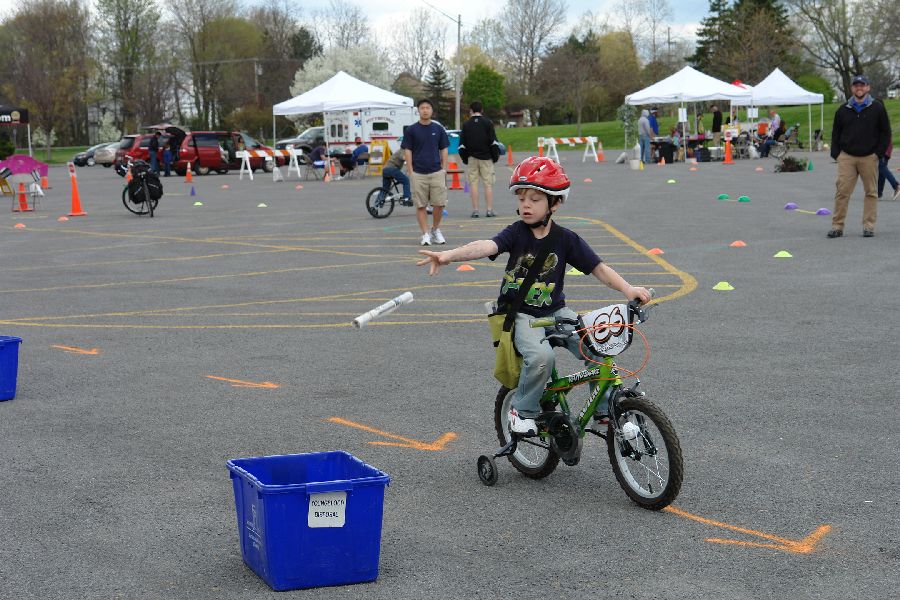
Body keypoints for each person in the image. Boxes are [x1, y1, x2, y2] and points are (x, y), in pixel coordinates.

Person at [417, 156, 651, 433]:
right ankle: (522, 411)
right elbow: (486, 246)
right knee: (542, 358)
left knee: (599, 346)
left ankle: (604, 410)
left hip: (556, 313)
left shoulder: (566, 239)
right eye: (521, 198)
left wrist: (628, 289)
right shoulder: (516, 233)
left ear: (555, 203)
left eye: (535, 199)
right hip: (522, 315)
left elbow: (598, 269)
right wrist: (449, 255)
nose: (526, 205)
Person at [828, 75, 892, 238]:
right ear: (852, 88)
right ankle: (837, 226)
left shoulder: (877, 108)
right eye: (856, 85)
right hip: (847, 157)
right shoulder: (843, 110)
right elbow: (835, 134)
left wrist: (878, 154)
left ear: (868, 88)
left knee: (871, 192)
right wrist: (837, 154)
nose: (859, 88)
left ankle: (868, 226)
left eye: (862, 85)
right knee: (842, 192)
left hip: (869, 157)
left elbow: (885, 132)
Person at [402, 98, 449, 246]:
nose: (425, 110)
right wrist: (410, 171)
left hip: (436, 171)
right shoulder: (411, 130)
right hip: (418, 173)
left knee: (439, 204)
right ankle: (425, 234)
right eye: (422, 108)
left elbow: (444, 148)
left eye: (428, 107)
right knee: (420, 205)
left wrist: (444, 168)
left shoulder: (438, 129)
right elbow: (407, 150)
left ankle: (435, 230)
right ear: (418, 110)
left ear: (432, 110)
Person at [460, 101, 499, 218]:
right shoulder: (488, 123)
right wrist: (494, 157)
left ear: (471, 110)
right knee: (488, 184)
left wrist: (465, 158)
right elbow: (493, 142)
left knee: (473, 184)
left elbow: (462, 145)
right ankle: (489, 210)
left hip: (472, 157)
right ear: (482, 110)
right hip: (486, 157)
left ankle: (475, 210)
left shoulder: (466, 124)